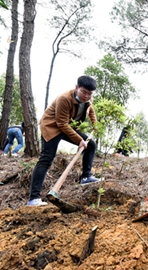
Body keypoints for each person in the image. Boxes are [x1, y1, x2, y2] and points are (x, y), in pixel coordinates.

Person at [27, 75, 100, 206]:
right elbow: (61, 123)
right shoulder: (64, 99)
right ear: (77, 87)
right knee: (46, 159)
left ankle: (86, 176)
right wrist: (79, 140)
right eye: (84, 92)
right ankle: (33, 198)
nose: (86, 96)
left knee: (91, 145)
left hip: (67, 127)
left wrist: (96, 125)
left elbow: (91, 110)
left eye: (90, 93)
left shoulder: (88, 99)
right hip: (52, 127)